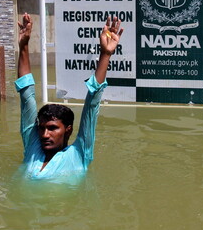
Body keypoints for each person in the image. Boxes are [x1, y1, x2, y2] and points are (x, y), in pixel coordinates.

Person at [14, 12, 123, 180]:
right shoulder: (32, 145)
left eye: (52, 128)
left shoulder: (79, 153)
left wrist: (105, 54)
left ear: (68, 130)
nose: (44, 134)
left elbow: (92, 103)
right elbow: (26, 95)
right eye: (42, 128)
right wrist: (24, 46)